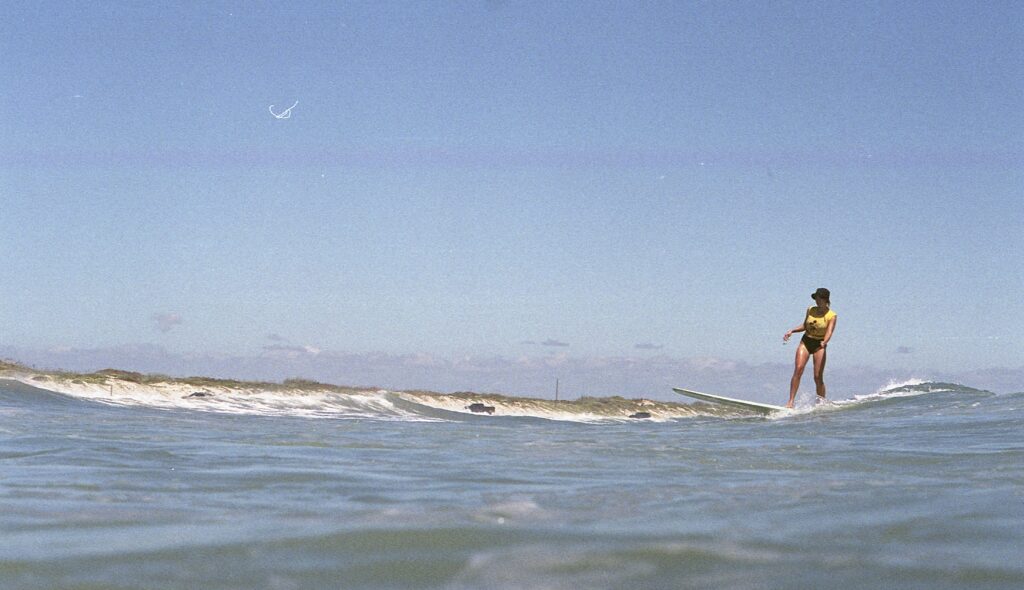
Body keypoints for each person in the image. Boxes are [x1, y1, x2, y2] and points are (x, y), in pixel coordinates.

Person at [782, 288, 837, 408]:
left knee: (817, 377)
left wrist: (825, 341)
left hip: (819, 345)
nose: (816, 301)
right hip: (806, 341)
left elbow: (829, 331)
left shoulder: (831, 315)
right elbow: (805, 325)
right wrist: (792, 330)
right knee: (798, 369)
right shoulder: (810, 309)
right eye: (815, 298)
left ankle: (821, 403)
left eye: (818, 298)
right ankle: (790, 402)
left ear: (824, 299)